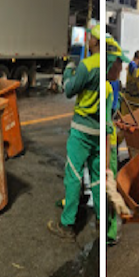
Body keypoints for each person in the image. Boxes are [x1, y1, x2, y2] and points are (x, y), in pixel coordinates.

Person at [48, 24, 100, 240]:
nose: (87, 42)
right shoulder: (107, 64)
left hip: (82, 129)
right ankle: (101, 219)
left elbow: (69, 90)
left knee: (74, 175)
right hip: (100, 129)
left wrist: (69, 71)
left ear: (94, 42)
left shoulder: (87, 65)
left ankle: (67, 224)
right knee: (97, 178)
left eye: (90, 39)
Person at [106, 35, 130, 246]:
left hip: (106, 139)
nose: (121, 68)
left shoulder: (109, 84)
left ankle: (110, 227)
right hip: (107, 142)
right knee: (109, 183)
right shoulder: (108, 86)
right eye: (119, 64)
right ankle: (111, 229)